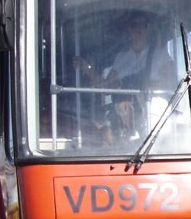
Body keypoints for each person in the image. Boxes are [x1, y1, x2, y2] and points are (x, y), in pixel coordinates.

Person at [74, 11, 174, 140]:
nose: (138, 28)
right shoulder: (121, 58)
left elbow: (171, 84)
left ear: (148, 28)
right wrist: (87, 68)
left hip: (156, 121)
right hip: (125, 122)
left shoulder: (162, 55)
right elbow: (105, 88)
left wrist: (139, 90)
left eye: (142, 25)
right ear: (129, 29)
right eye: (134, 25)